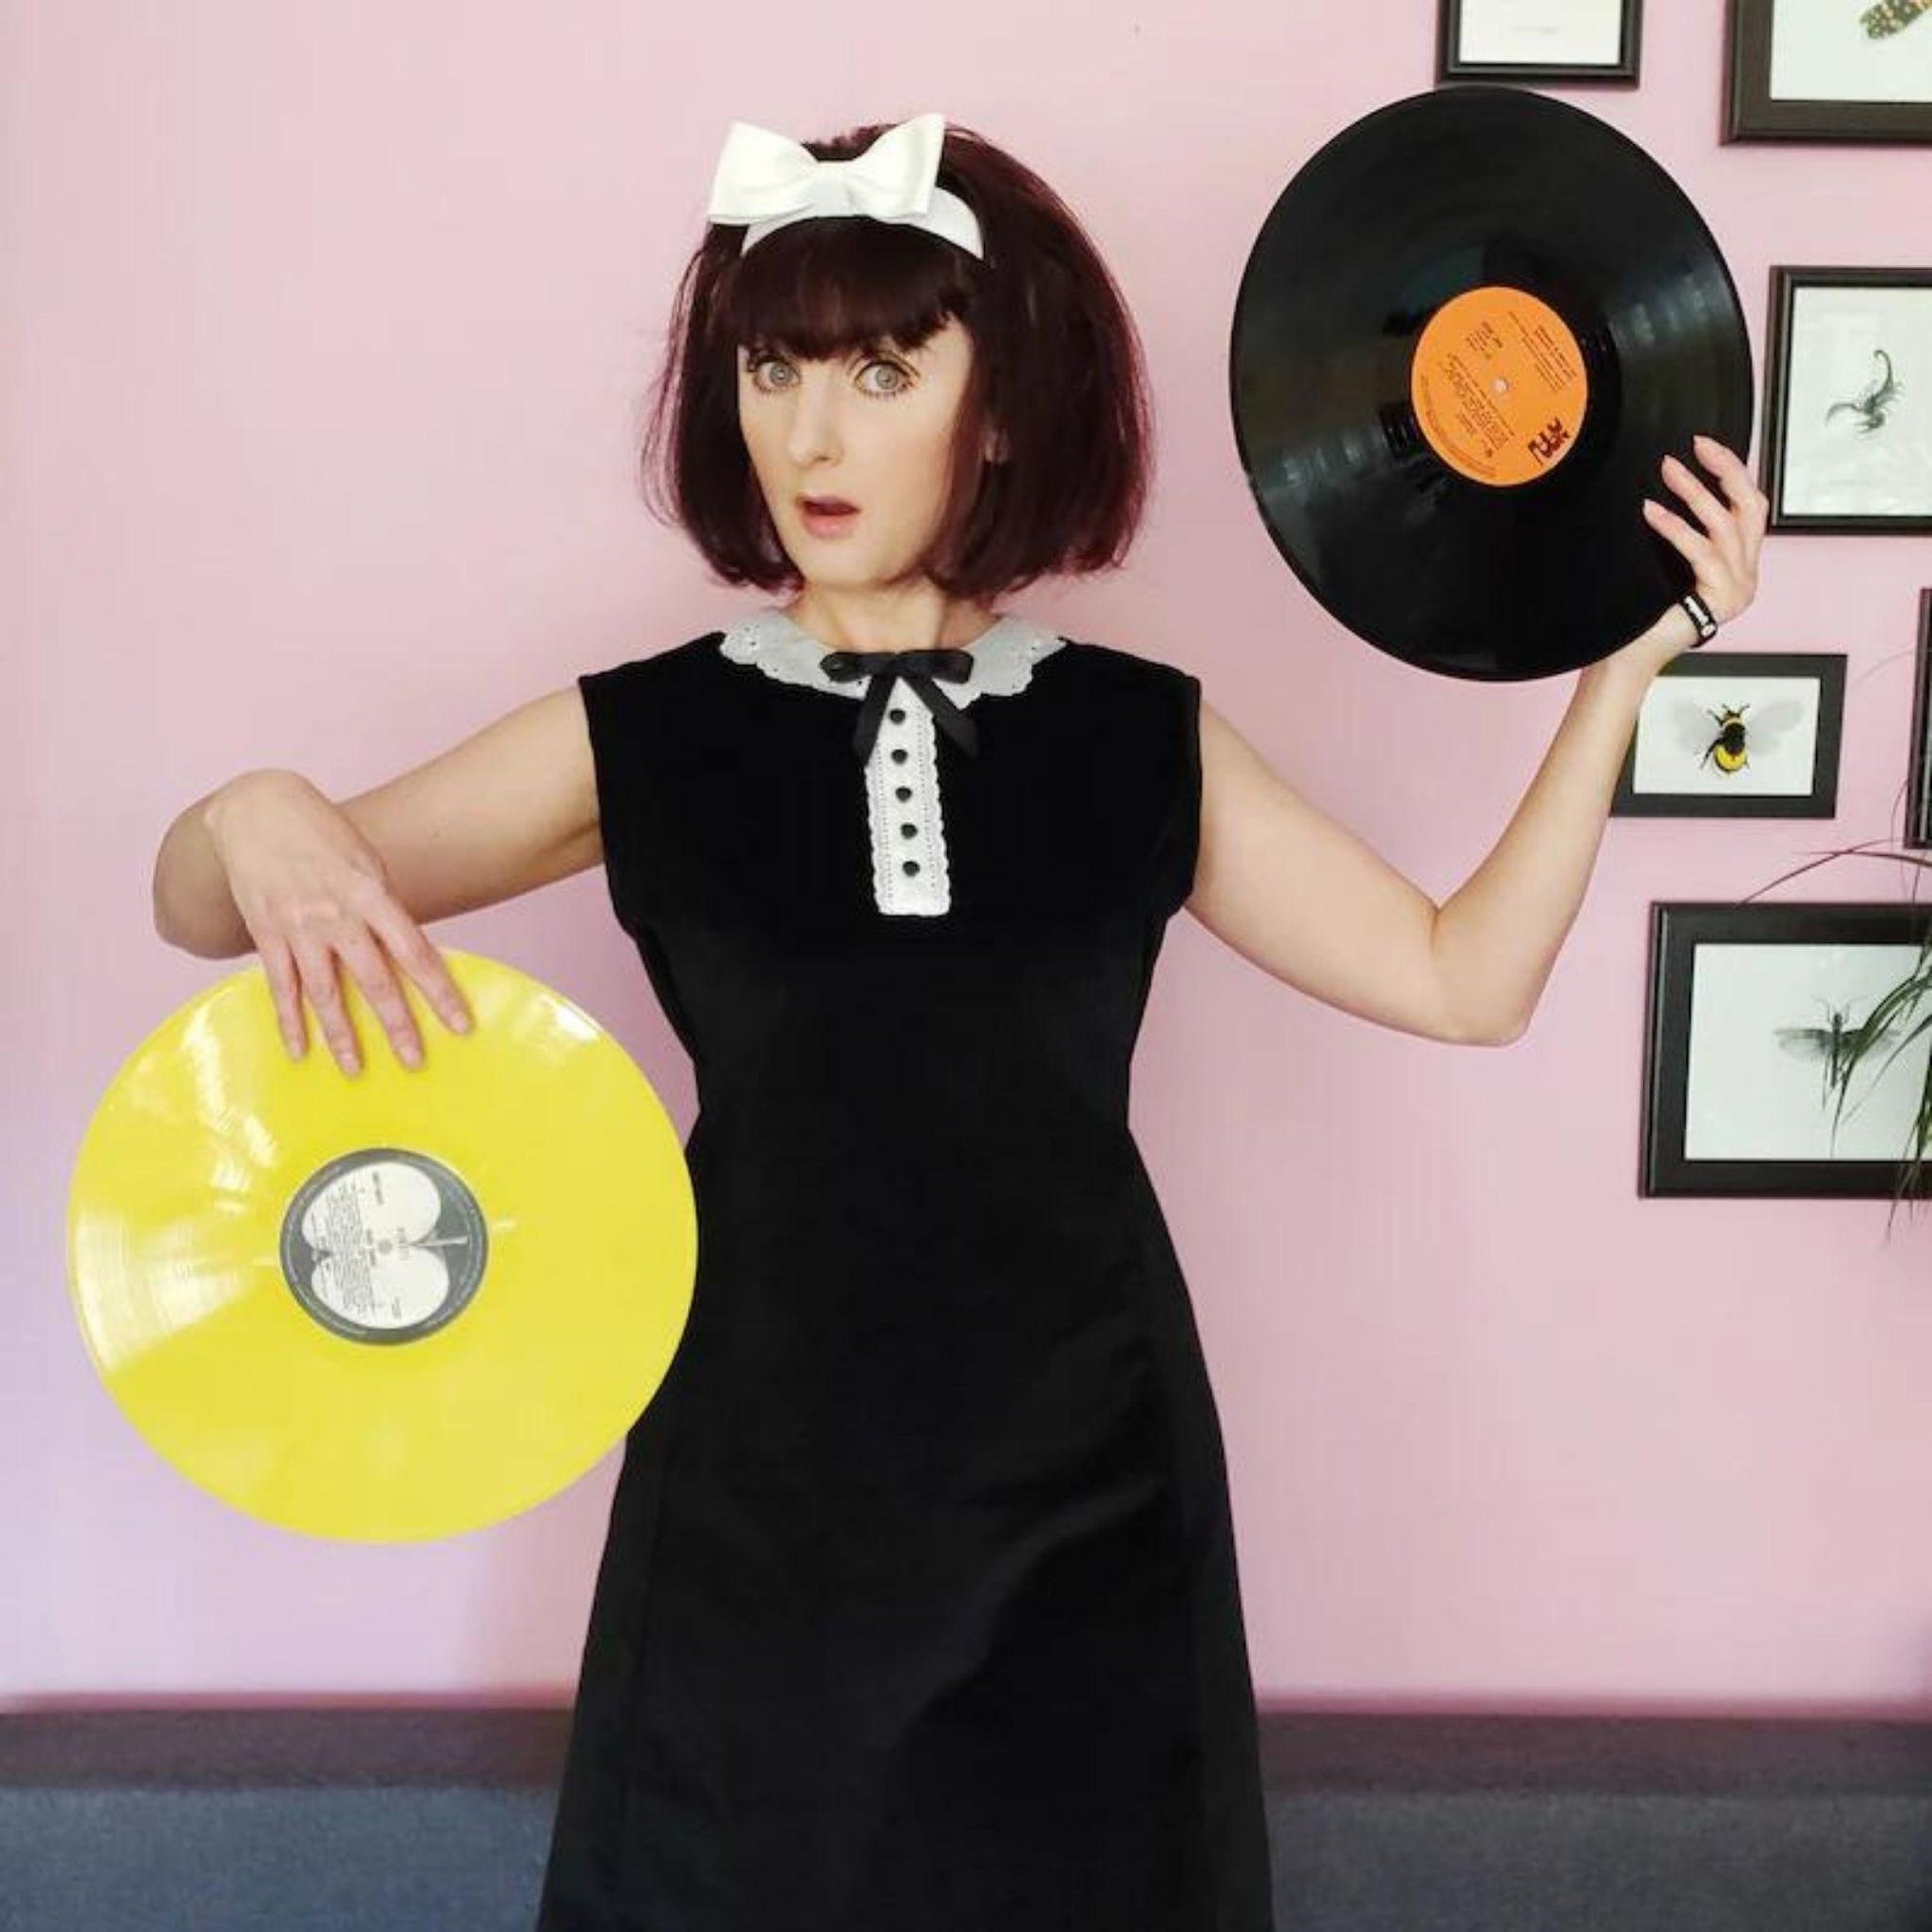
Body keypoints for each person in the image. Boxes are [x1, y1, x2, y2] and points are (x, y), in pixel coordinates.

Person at [150, 111, 1765, 1931]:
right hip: (752, 1502)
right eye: (772, 367)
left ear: (1000, 407)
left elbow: (1464, 980)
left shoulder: (1137, 732)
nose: (811, 433)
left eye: (882, 367)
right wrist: (250, 809)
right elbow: (216, 907)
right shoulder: (648, 734)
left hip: (1089, 1500)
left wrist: (1628, 666)